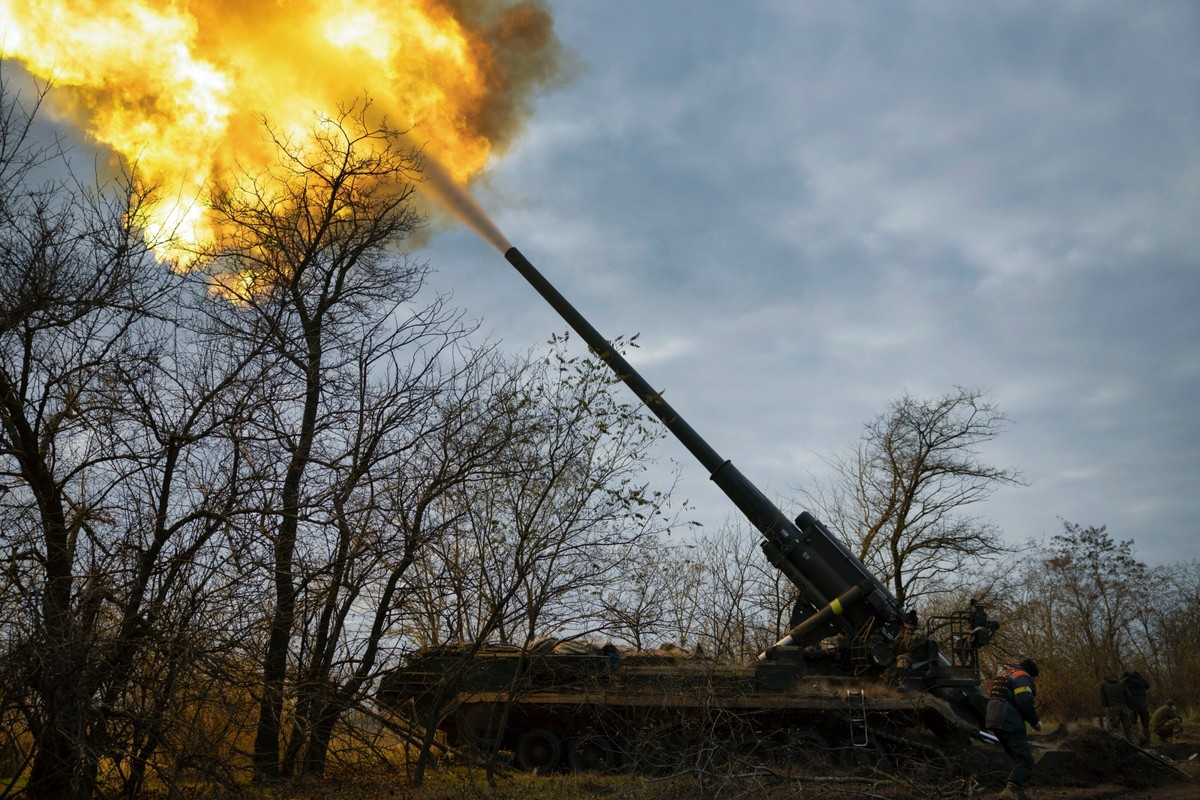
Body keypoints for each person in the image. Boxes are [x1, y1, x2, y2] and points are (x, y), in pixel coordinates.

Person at [987, 658, 1042, 800]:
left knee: (1018, 758)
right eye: (1034, 678)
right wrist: (1034, 721)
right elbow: (1024, 700)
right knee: (1026, 761)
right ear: (1032, 674)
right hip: (1009, 720)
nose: (1033, 681)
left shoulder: (1005, 673)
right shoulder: (1022, 676)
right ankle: (1009, 792)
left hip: (993, 719)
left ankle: (1019, 793)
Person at [1099, 673, 1135, 742]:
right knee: (1127, 727)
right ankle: (1131, 743)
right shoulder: (1122, 683)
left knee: (1115, 727)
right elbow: (1129, 696)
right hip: (1124, 707)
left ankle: (1120, 743)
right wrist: (1127, 705)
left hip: (1113, 708)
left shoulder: (1103, 684)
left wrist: (1106, 706)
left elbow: (1103, 697)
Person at [1123, 670, 1152, 745]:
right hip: (1143, 705)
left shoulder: (1126, 682)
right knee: (1146, 725)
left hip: (1132, 706)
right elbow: (1148, 685)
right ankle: (1148, 741)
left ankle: (1141, 738)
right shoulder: (1141, 680)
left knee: (1133, 724)